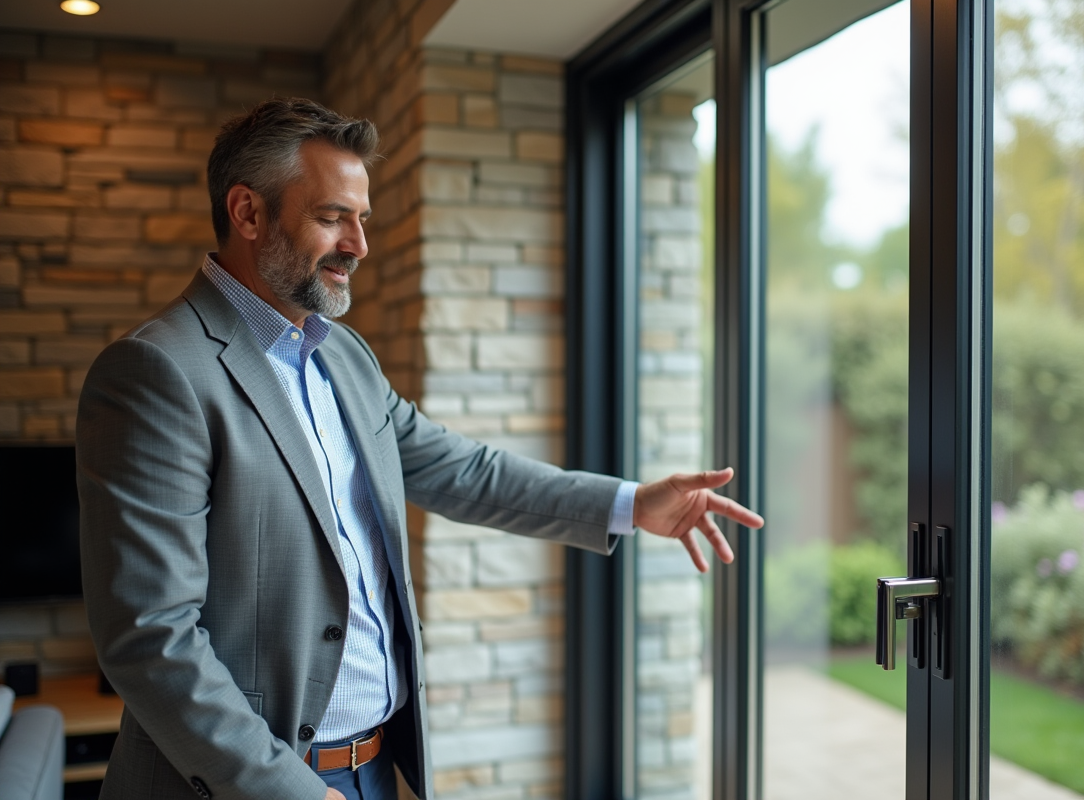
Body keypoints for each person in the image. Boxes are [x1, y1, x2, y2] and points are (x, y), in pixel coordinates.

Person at [76, 97, 763, 800]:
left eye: (361, 218)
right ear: (249, 214)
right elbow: (152, 637)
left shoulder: (342, 356)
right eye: (331, 217)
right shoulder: (156, 372)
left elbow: (464, 470)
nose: (359, 244)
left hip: (373, 772)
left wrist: (630, 503)